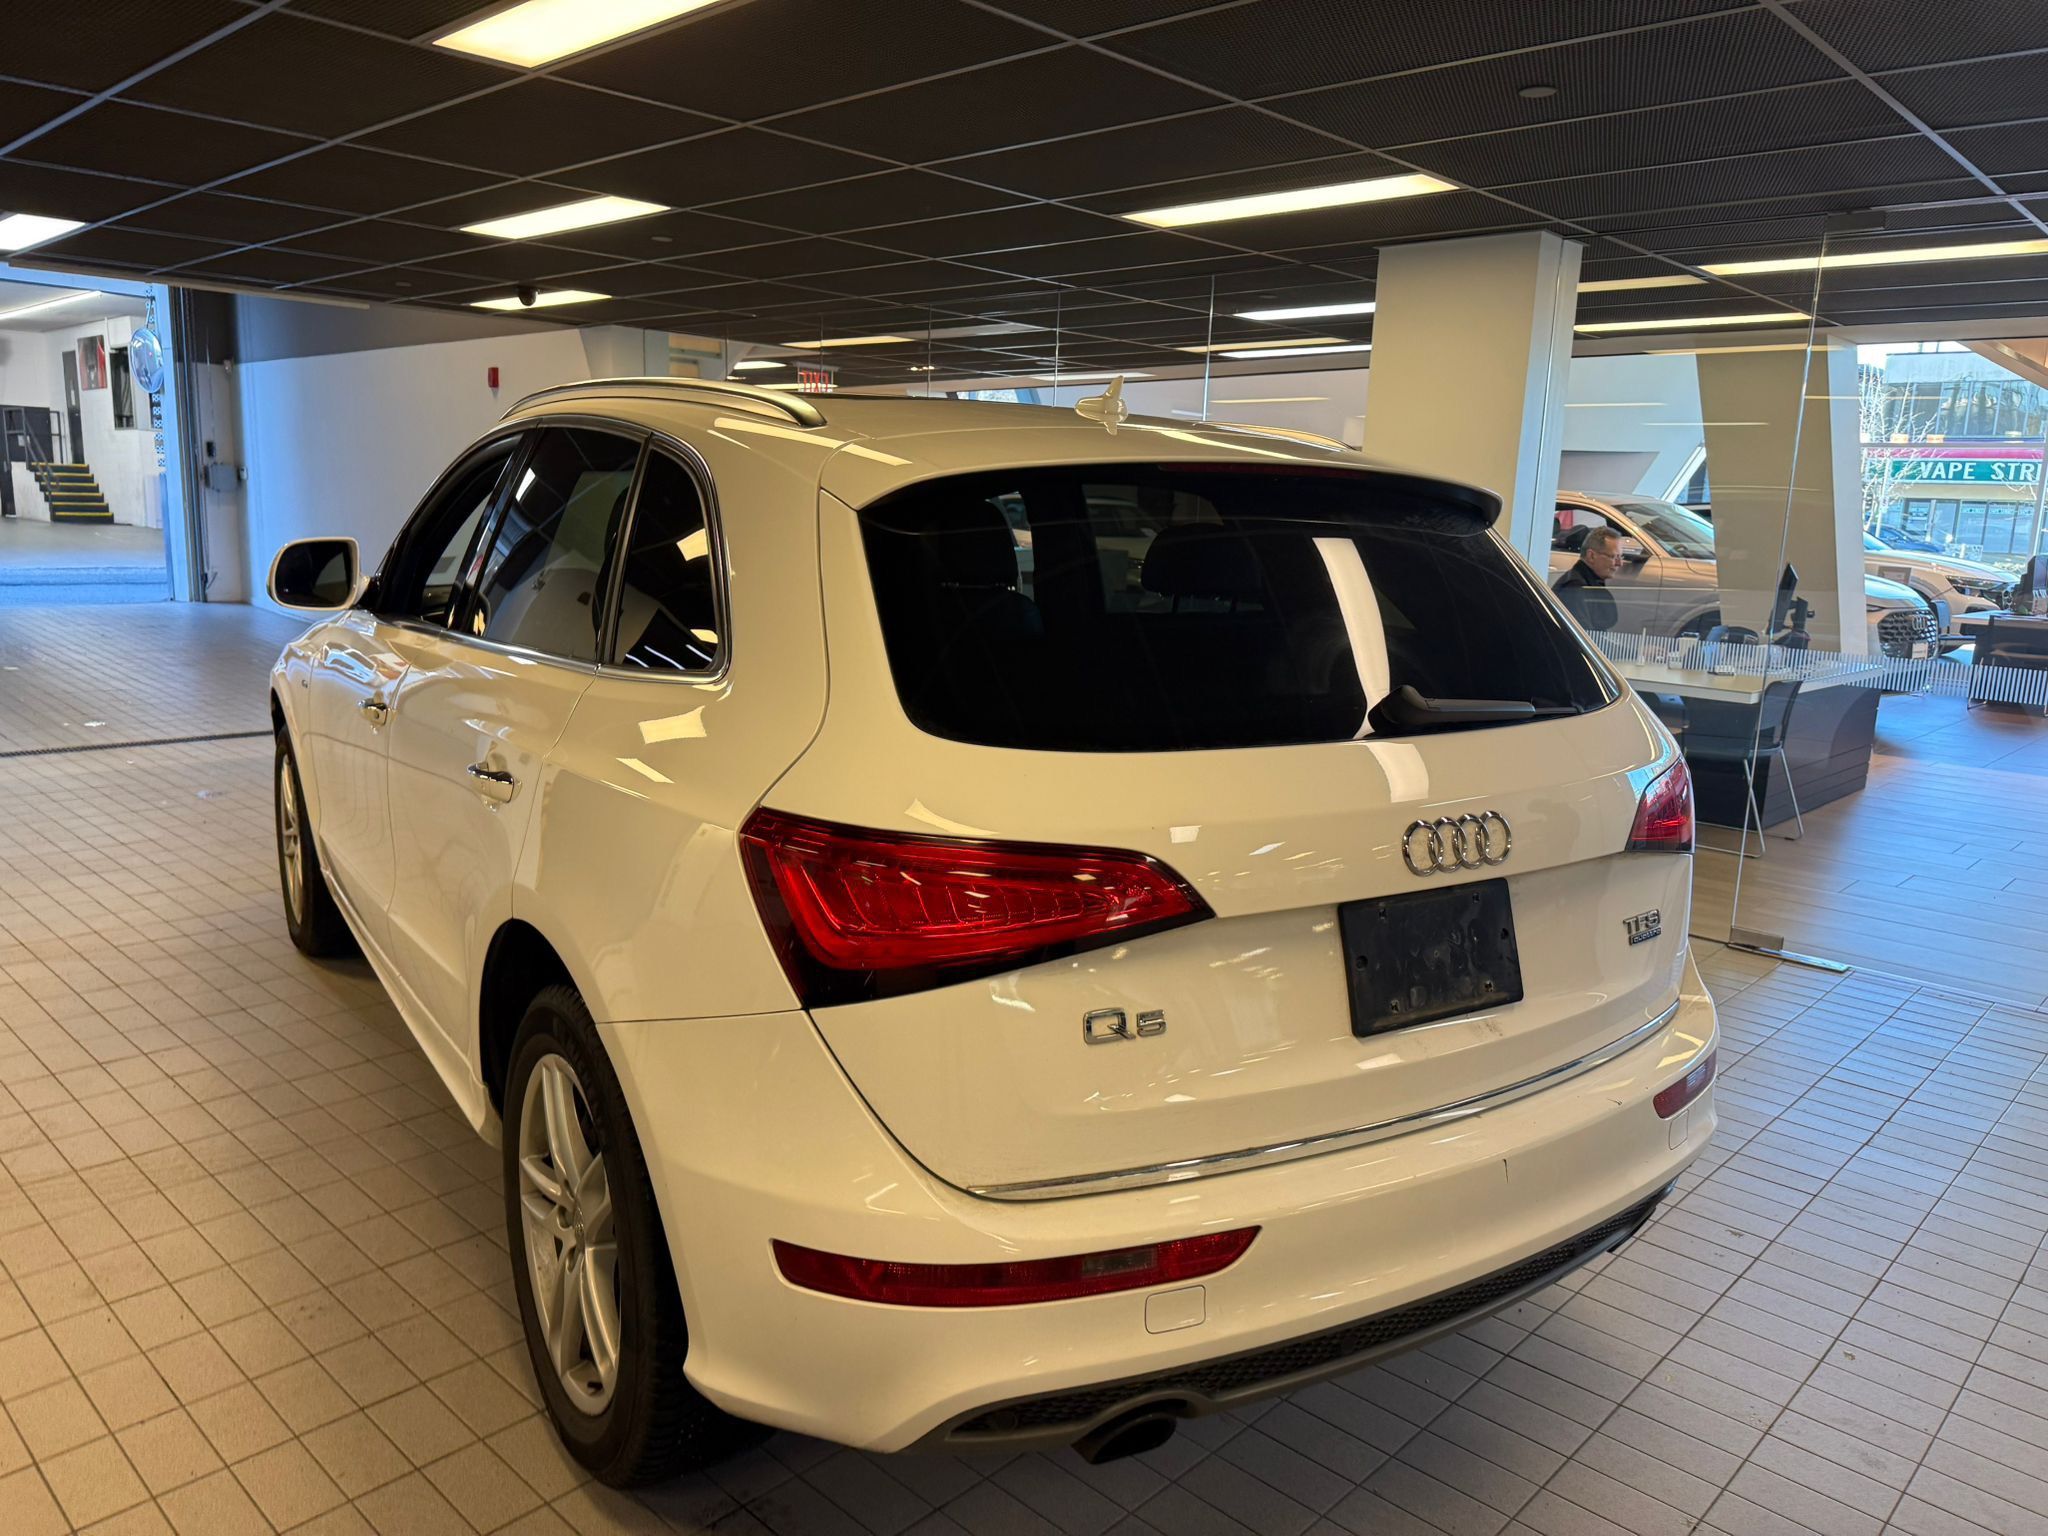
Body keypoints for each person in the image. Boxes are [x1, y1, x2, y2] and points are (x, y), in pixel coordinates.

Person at [1553, 525, 1621, 632]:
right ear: (1591, 556)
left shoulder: (1588, 582)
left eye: (1620, 557)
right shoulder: (1575, 588)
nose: (1619, 563)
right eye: (1613, 557)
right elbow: (1584, 640)